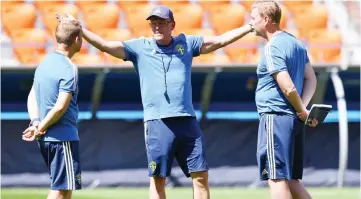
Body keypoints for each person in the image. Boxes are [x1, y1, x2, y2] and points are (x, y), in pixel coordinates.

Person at [56, 4, 254, 199]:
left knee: (201, 176)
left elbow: (220, 41)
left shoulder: (186, 43)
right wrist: (80, 28)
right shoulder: (140, 47)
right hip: (158, 123)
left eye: (161, 23)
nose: (157, 27)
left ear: (172, 25)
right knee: (158, 179)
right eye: (153, 24)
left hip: (187, 121)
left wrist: (249, 27)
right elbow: (106, 46)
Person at [249, 1, 318, 199]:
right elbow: (311, 78)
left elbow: (287, 87)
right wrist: (302, 108)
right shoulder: (295, 42)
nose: (250, 23)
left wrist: (301, 109)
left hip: (275, 118)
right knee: (291, 180)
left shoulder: (272, 47)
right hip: (293, 120)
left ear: (266, 20)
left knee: (276, 178)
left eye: (253, 19)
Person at [22, 19, 83, 199]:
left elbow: (32, 96)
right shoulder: (69, 67)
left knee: (62, 187)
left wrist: (36, 122)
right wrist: (41, 127)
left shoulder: (44, 63)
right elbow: (60, 107)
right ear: (77, 39)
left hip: (47, 138)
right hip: (62, 137)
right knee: (61, 189)